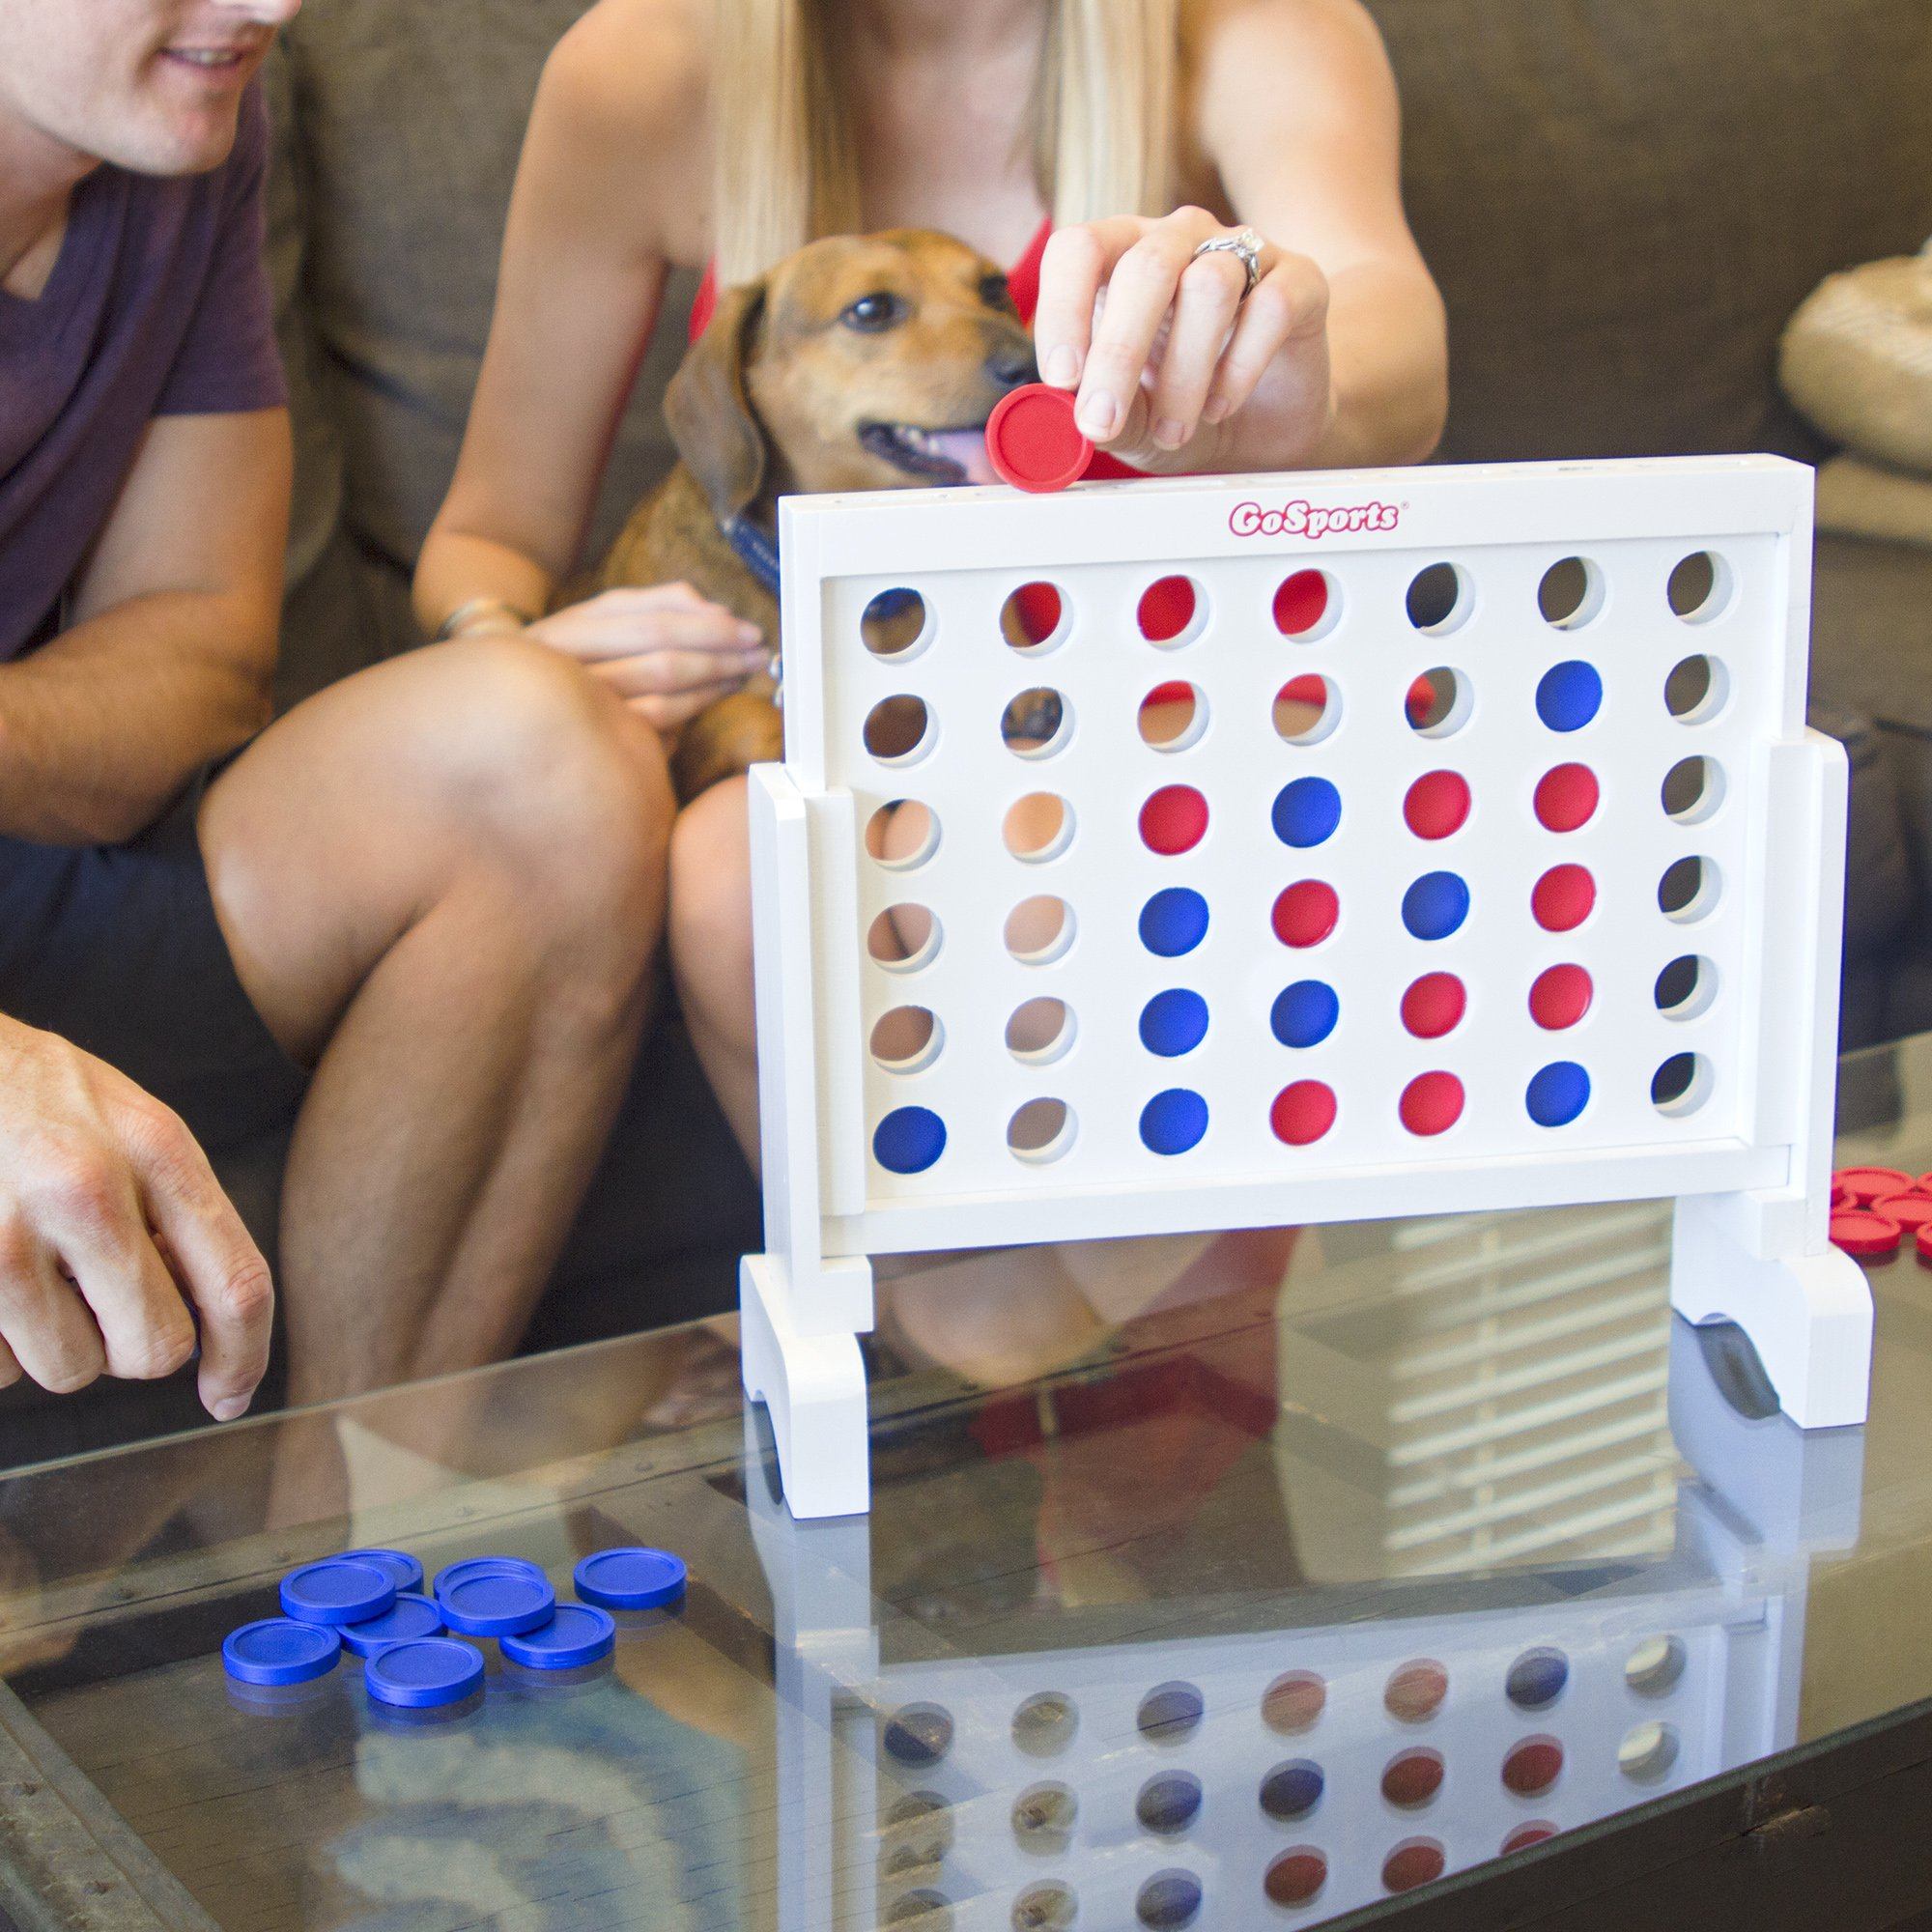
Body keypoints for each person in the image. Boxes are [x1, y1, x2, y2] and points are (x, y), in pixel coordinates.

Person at [417, 0, 1448, 1159]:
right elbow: (489, 532)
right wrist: (514, 660)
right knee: (736, 875)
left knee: (1019, 866)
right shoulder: (641, 65)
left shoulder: (1247, 29)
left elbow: (1391, 329)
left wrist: (1303, 375)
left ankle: (1003, 1322)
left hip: (1189, 690)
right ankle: (962, 1317)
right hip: (869, 743)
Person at [0, 0, 733, 1421]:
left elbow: (200, 657)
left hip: (52, 861)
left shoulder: (186, 140)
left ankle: (329, 1557)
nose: (271, 4)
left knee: (539, 748)